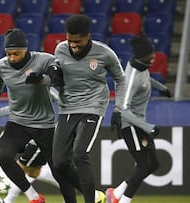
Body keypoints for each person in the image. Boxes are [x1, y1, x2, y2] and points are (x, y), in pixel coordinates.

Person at [0, 28, 69, 203]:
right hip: (19, 124)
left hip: (44, 126)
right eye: (8, 54)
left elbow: (58, 92)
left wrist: (64, 120)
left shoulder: (42, 61)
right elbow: (1, 95)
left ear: (26, 49)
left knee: (54, 168)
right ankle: (33, 197)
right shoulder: (2, 66)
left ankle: (88, 195)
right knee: (10, 159)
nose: (12, 58)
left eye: (16, 53)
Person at [49, 14, 126, 203]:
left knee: (79, 154)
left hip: (93, 106)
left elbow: (121, 79)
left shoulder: (104, 53)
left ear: (87, 36)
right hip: (67, 108)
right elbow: (54, 76)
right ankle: (97, 196)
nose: (73, 45)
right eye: (70, 40)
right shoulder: (60, 49)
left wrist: (118, 109)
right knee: (58, 163)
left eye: (77, 41)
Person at [105, 35, 171, 203]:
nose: (154, 56)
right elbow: (122, 109)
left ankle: (116, 193)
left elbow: (146, 79)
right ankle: (124, 200)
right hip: (130, 125)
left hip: (139, 123)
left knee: (153, 164)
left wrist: (161, 88)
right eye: (150, 54)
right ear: (142, 55)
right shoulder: (131, 77)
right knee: (143, 165)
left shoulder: (141, 66)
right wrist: (148, 127)